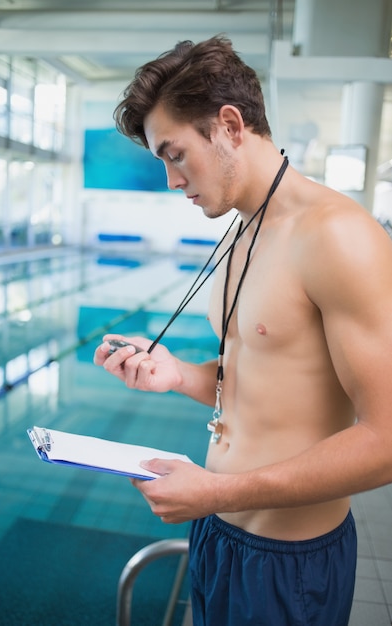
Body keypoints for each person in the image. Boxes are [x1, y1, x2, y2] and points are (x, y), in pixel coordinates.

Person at [93, 35, 392, 626]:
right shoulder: (239, 230)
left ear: (229, 125)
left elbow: (385, 440)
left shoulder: (336, 235)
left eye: (175, 153)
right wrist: (177, 373)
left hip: (288, 562)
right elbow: (257, 381)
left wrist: (216, 492)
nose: (172, 180)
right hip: (218, 535)